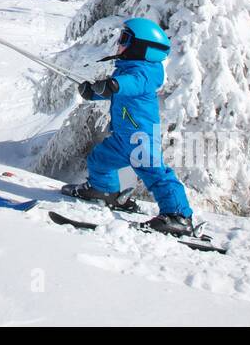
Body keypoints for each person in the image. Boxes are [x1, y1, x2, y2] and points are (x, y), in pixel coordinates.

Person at [60, 18, 196, 236]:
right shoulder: (127, 68)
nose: (119, 44)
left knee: (156, 174)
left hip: (140, 137)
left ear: (141, 46)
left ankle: (178, 216)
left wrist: (113, 85)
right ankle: (103, 191)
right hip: (123, 137)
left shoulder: (146, 72)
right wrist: (94, 91)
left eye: (124, 39)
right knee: (99, 159)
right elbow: (117, 90)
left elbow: (130, 85)